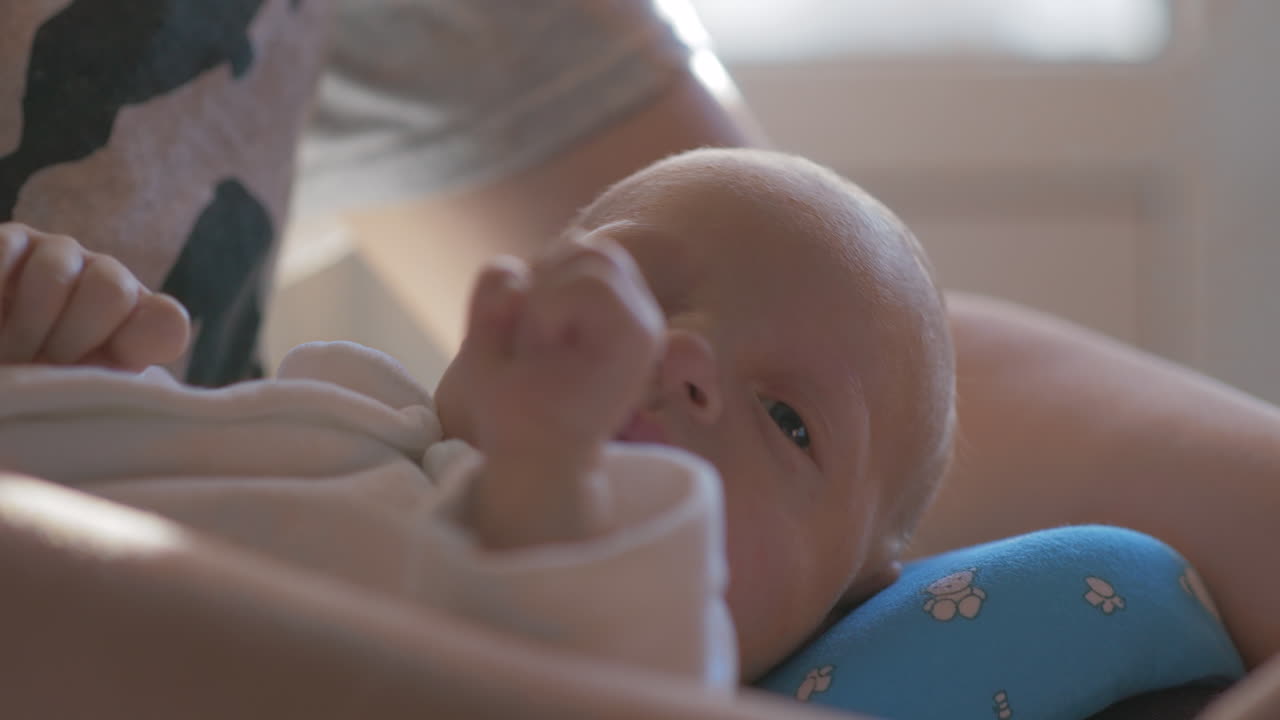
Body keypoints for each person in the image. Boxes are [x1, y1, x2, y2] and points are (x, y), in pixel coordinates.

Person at [0, 146, 954, 686]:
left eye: (789, 421)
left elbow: (581, 676)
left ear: (847, 604)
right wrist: (58, 379)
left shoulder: (653, 648)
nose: (678, 355)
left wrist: (550, 477)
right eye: (621, 286)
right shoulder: (339, 424)